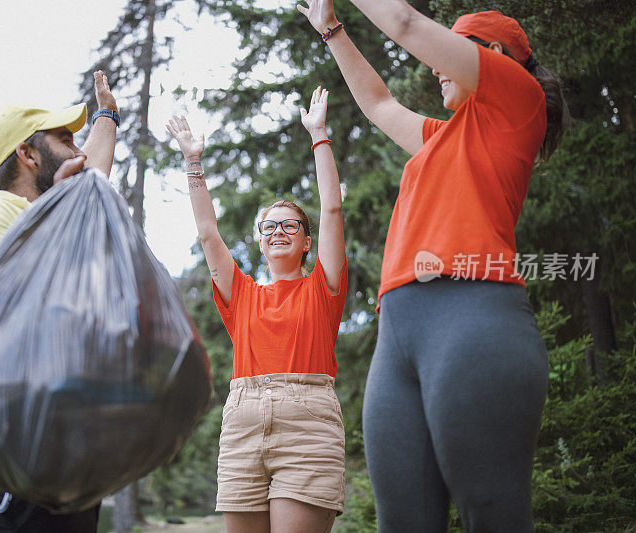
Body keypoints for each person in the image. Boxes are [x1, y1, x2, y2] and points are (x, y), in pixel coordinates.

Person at [297, 1, 568, 531]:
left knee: (492, 515)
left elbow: (404, 22)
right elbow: (377, 104)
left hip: (474, 321)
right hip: (397, 337)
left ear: (492, 58)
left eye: (453, 49)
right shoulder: (439, 138)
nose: (434, 63)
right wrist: (331, 29)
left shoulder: (519, 101)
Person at [0, 70, 119, 532]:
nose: (77, 149)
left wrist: (107, 117)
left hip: (66, 476)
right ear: (27, 154)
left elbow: (93, 175)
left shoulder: (52, 221)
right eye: (63, 138)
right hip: (3, 474)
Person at [166, 86, 348, 533]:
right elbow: (209, 234)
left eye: (291, 225)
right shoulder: (242, 294)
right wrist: (193, 162)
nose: (279, 231)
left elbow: (332, 207)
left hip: (308, 424)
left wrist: (319, 136)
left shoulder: (323, 288)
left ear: (307, 241)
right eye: (270, 226)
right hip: (244, 420)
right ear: (261, 240)